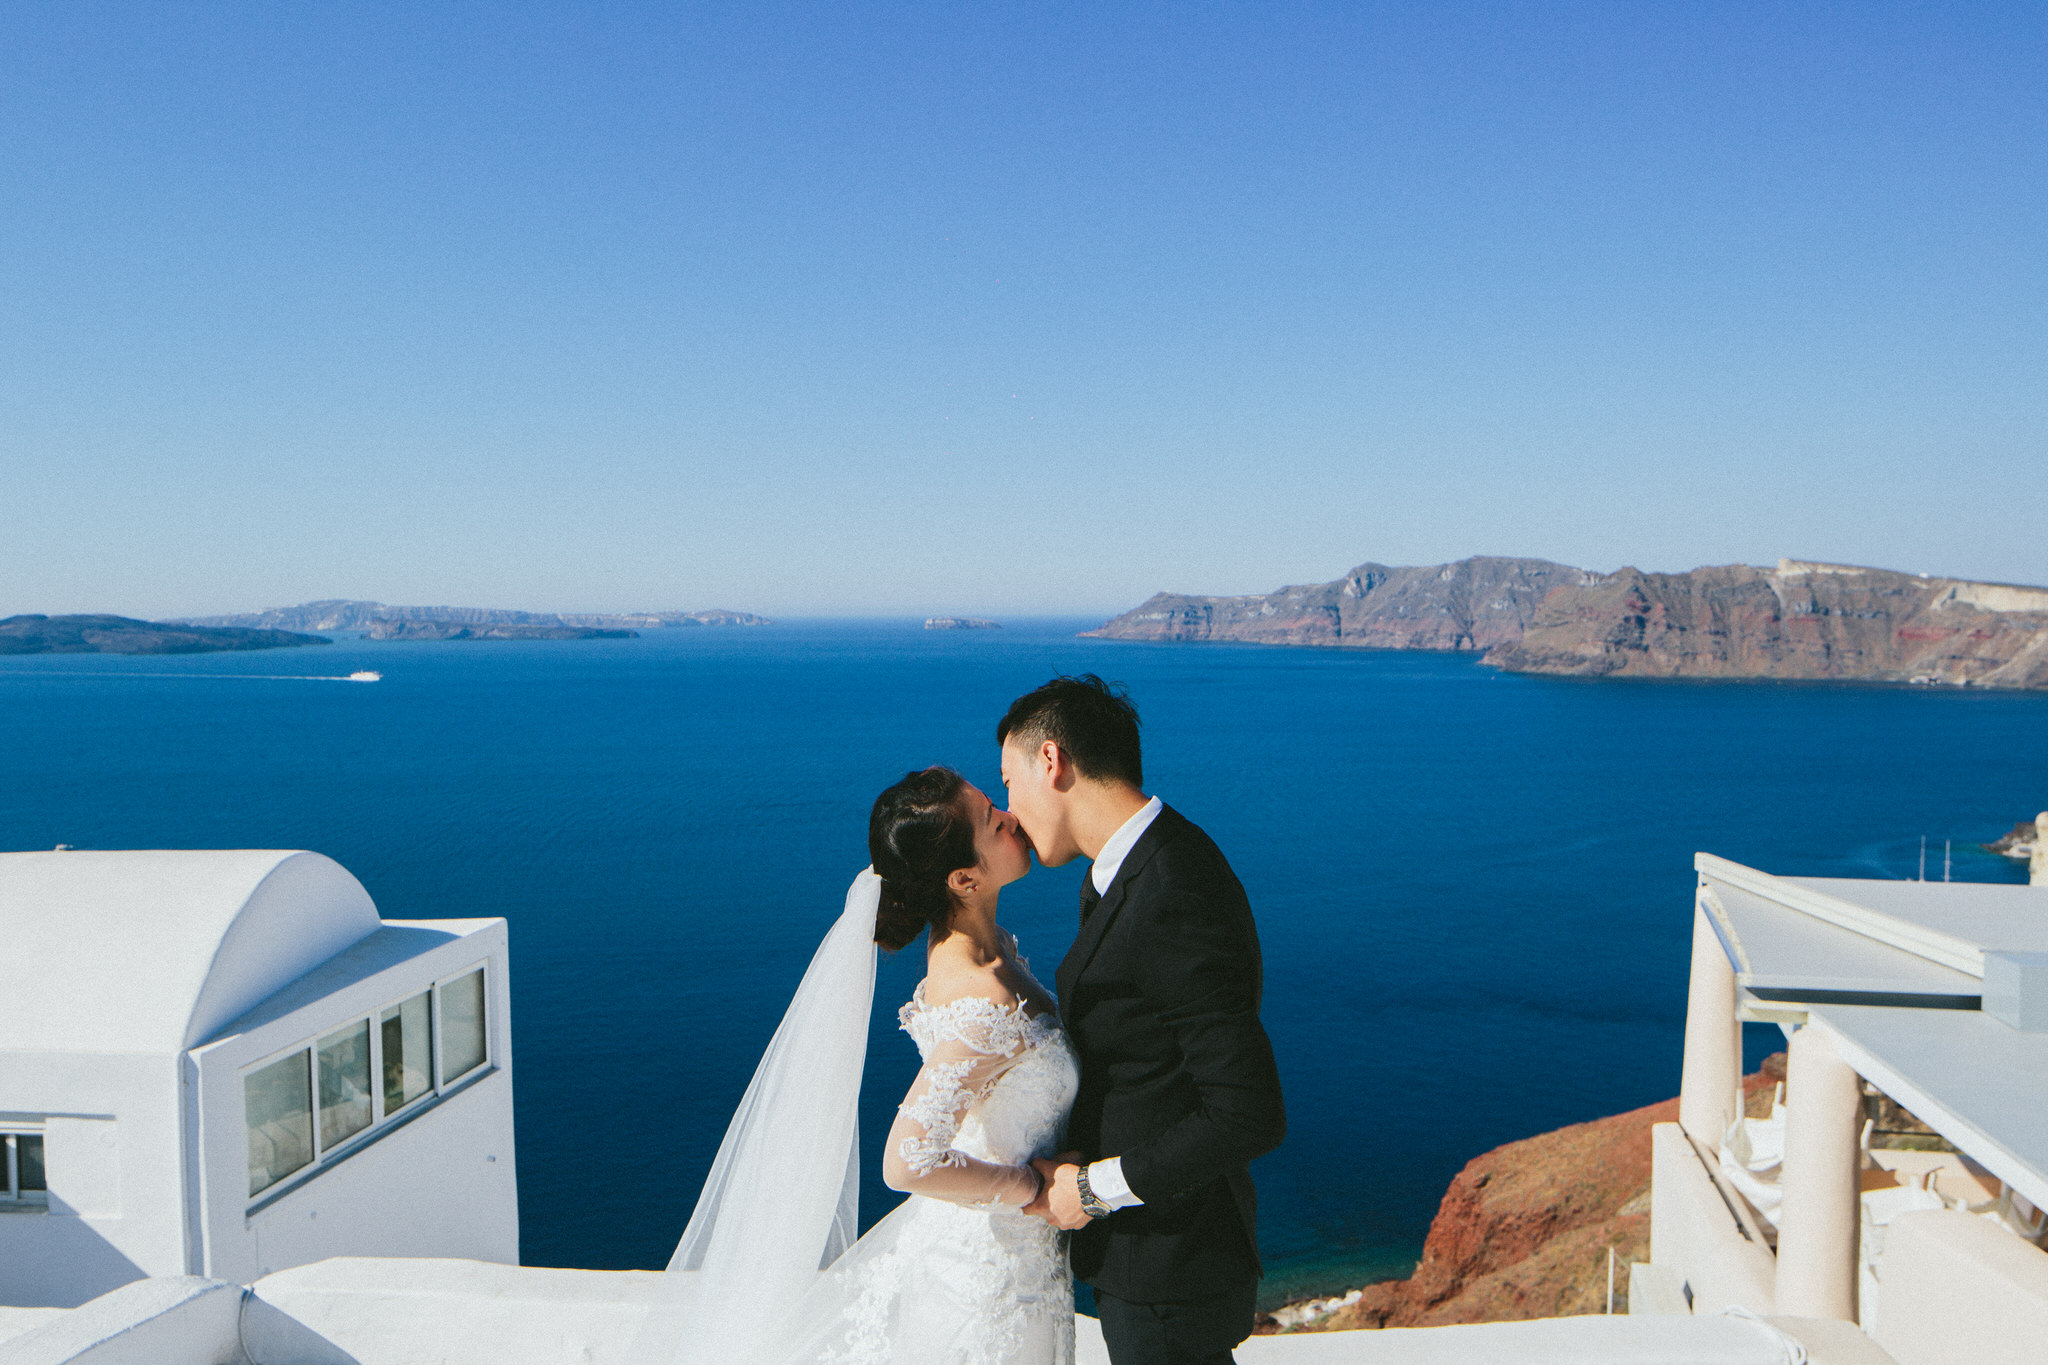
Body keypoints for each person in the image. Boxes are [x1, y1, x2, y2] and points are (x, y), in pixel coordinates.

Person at [645, 765, 1081, 1365]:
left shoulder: (990, 947)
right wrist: (1033, 1186)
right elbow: (906, 1161)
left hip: (1013, 1257)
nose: (1011, 818)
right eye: (991, 820)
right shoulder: (988, 1000)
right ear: (964, 879)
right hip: (991, 1278)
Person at [999, 676, 1285, 1365]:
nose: (1008, 810)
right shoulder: (1131, 867)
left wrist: (1093, 1191)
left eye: (1007, 780)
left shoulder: (1170, 889)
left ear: (1051, 760)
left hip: (1171, 1265)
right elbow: (1143, 1060)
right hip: (1155, 1264)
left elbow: (1249, 1111)